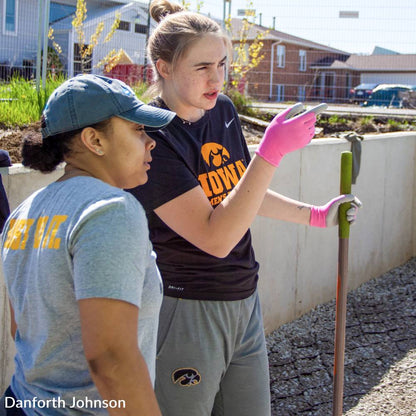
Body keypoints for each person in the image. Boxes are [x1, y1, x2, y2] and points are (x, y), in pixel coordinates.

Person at [127, 1, 362, 415]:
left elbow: (238, 195)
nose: (217, 78)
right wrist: (270, 153)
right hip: (188, 307)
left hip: (244, 299)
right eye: (202, 67)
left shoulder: (222, 111)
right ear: (163, 67)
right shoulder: (153, 138)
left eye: (221, 63)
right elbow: (216, 237)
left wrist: (316, 215)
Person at [0, 74, 175, 416]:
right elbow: (112, 360)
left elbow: (19, 328)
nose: (151, 141)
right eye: (138, 129)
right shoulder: (110, 210)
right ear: (94, 140)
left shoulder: (21, 215)